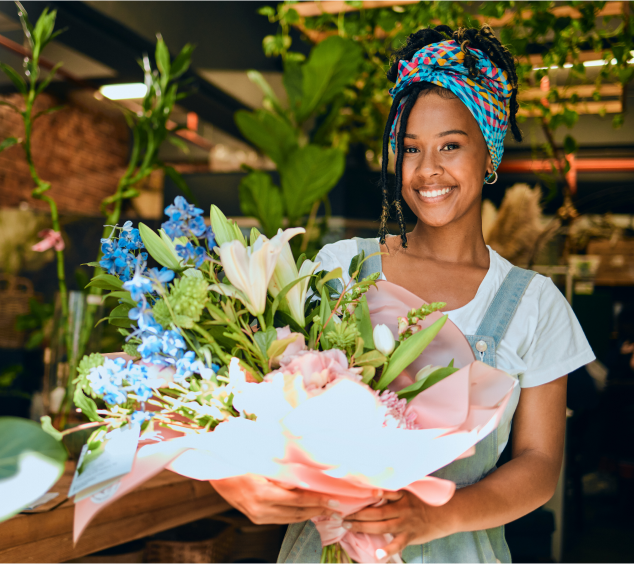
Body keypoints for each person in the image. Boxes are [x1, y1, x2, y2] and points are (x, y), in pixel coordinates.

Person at [210, 24, 595, 563]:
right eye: (410, 148)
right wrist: (244, 474)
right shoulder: (341, 268)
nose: (428, 169)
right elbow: (257, 397)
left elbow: (538, 465)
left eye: (451, 146)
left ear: (490, 154)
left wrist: (435, 516)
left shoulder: (535, 304)